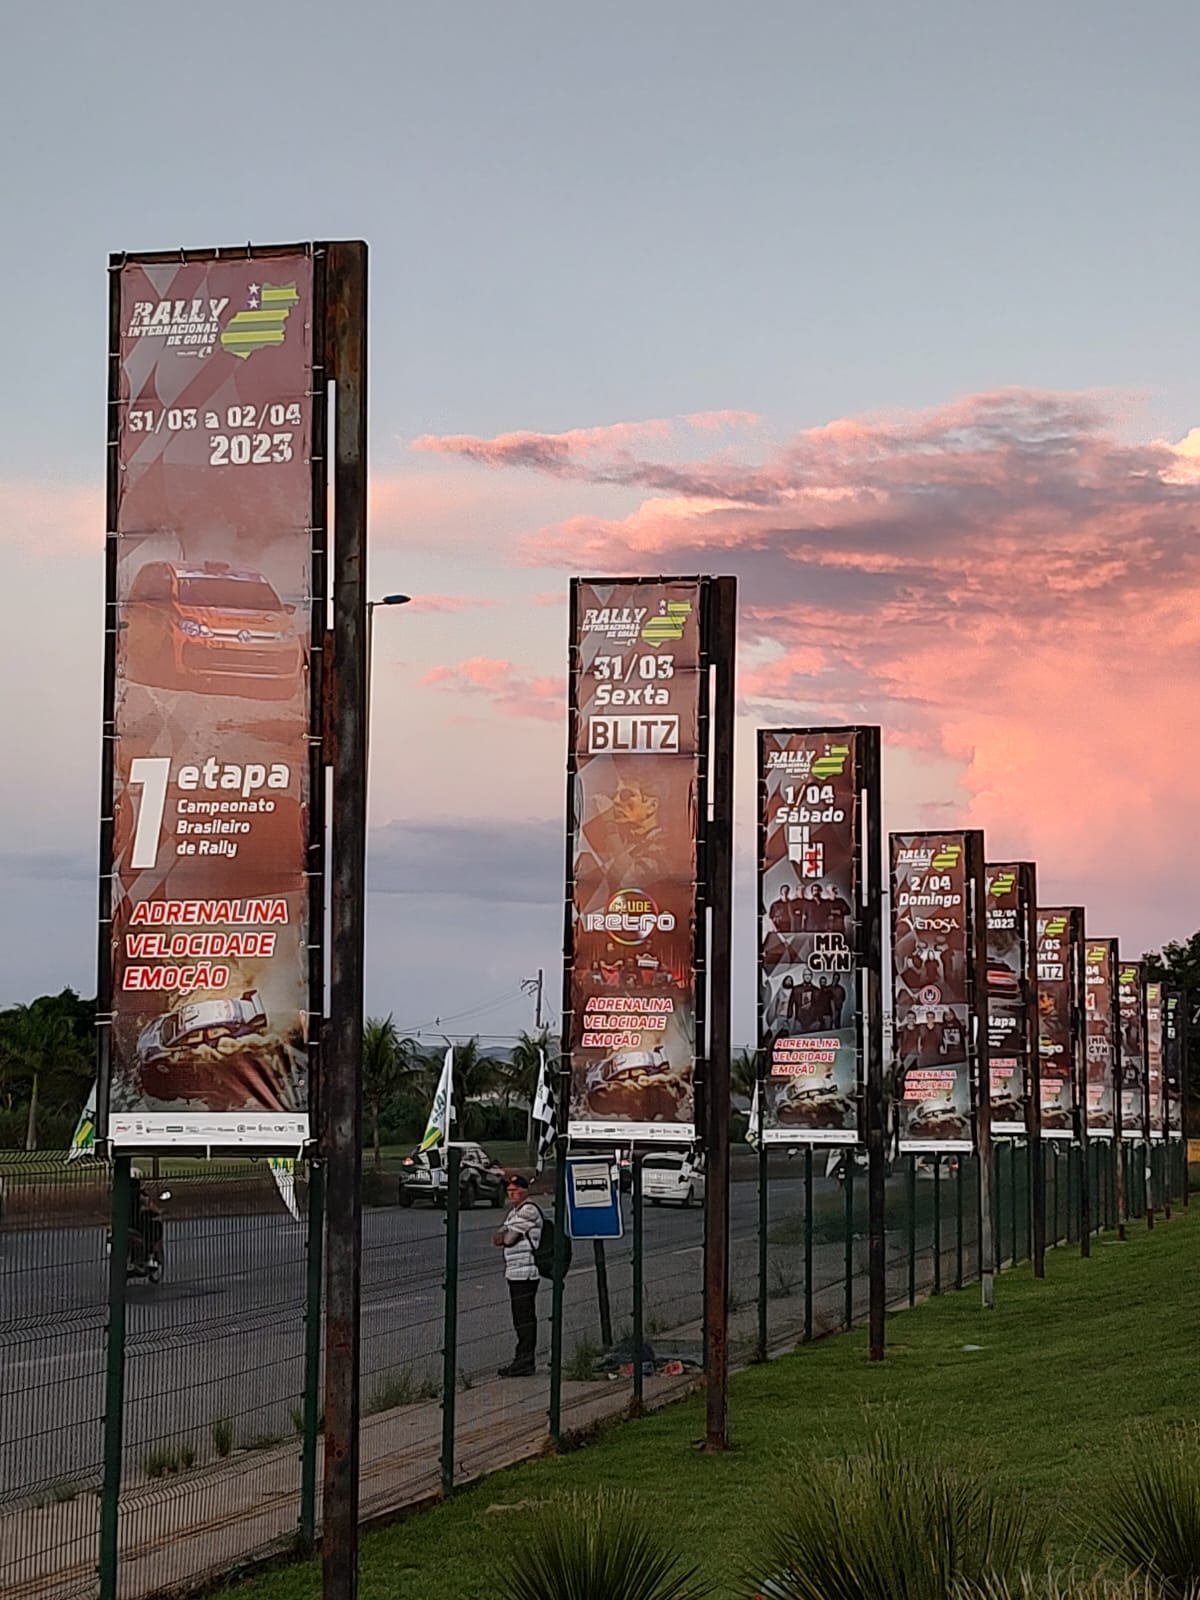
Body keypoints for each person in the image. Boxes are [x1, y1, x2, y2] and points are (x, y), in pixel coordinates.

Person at [493, 1174, 543, 1377]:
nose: (511, 1194)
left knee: (524, 1318)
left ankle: (524, 1361)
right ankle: (522, 1360)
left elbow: (509, 1239)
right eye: (509, 1191)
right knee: (519, 1317)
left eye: (515, 1190)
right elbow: (498, 1237)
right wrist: (505, 1235)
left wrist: (506, 1235)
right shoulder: (514, 1212)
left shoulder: (528, 1210)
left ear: (525, 1191)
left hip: (526, 1270)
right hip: (515, 1271)